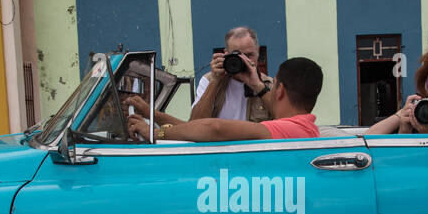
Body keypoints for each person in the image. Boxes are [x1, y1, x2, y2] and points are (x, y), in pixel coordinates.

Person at [126, 57, 323, 142]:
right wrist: (152, 115)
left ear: (279, 90)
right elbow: (194, 128)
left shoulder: (286, 129)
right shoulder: (304, 127)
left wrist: (154, 133)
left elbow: (213, 128)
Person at [190, 26, 273, 123]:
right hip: (219, 138)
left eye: (249, 55)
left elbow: (285, 121)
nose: (244, 61)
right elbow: (195, 124)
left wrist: (258, 86)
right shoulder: (209, 80)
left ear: (258, 52)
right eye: (237, 55)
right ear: (226, 54)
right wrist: (214, 81)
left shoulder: (268, 85)